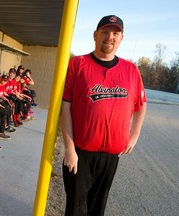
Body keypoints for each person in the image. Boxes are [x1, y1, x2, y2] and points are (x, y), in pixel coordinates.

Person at [61, 15, 147, 216]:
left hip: (111, 155)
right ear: (95, 35)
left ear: (121, 38)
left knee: (98, 207)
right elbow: (66, 108)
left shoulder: (131, 70)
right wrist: (69, 148)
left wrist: (134, 136)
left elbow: (141, 105)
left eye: (115, 33)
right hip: (80, 152)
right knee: (76, 207)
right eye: (105, 32)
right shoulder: (78, 64)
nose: (110, 37)